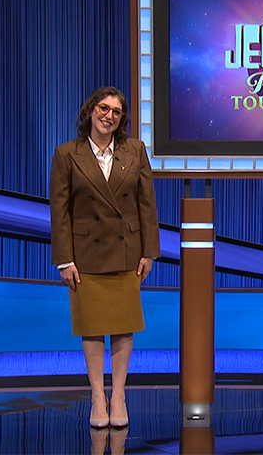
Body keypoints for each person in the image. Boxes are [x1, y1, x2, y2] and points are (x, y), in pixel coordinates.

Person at [50, 86, 160, 429]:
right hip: (85, 256)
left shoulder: (135, 151)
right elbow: (60, 212)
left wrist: (149, 251)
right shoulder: (67, 154)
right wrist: (64, 259)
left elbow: (146, 205)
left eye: (116, 111)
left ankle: (120, 394)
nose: (109, 115)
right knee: (93, 328)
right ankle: (98, 396)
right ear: (89, 112)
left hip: (126, 250)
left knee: (123, 326)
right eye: (103, 108)